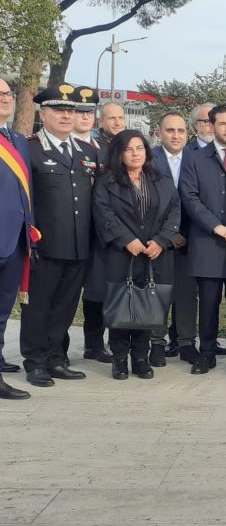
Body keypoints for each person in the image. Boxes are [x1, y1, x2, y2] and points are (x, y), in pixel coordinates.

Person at [20, 84, 99, 388]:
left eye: (72, 110)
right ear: (43, 113)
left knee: (65, 307)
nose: (67, 116)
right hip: (44, 246)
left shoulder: (87, 151)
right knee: (38, 307)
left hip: (79, 245)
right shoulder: (29, 149)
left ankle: (55, 357)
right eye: (59, 110)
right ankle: (35, 361)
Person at [92, 130, 180, 380]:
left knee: (147, 305)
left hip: (154, 253)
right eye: (129, 149)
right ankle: (119, 358)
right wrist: (125, 239)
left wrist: (162, 240)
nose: (135, 154)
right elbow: (103, 212)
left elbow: (175, 210)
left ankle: (141, 356)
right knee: (123, 304)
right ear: (119, 153)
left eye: (139, 148)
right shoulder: (107, 181)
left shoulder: (160, 179)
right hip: (122, 254)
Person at [178, 104, 226, 375]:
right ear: (211, 126)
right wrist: (218, 228)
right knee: (208, 303)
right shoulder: (194, 157)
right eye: (222, 124)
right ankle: (206, 353)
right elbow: (189, 197)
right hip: (208, 242)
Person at [151, 112, 195, 366]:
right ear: (160, 132)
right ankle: (157, 343)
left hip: (191, 238)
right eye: (170, 130)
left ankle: (187, 342)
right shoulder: (149, 159)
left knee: (188, 293)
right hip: (159, 239)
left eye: (180, 131)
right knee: (159, 291)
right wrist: (168, 235)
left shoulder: (196, 159)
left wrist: (185, 234)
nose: (176, 135)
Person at [0, 78, 35, 399]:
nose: (5, 99)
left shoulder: (17, 139)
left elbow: (26, 193)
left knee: (2, 312)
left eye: (8, 93)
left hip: (16, 241)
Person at [74, 91, 113, 364]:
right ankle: (54, 347)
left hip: (98, 233)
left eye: (88, 113)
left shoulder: (105, 151)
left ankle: (94, 344)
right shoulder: (52, 147)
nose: (84, 117)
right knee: (62, 293)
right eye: (79, 112)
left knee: (97, 291)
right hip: (68, 231)